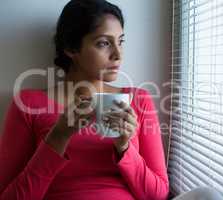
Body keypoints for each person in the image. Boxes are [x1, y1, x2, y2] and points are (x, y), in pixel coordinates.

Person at [0, 0, 169, 199]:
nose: (118, 54)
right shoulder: (29, 104)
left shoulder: (138, 100)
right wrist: (58, 137)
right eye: (104, 43)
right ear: (71, 48)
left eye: (120, 41)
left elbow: (157, 195)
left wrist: (124, 148)